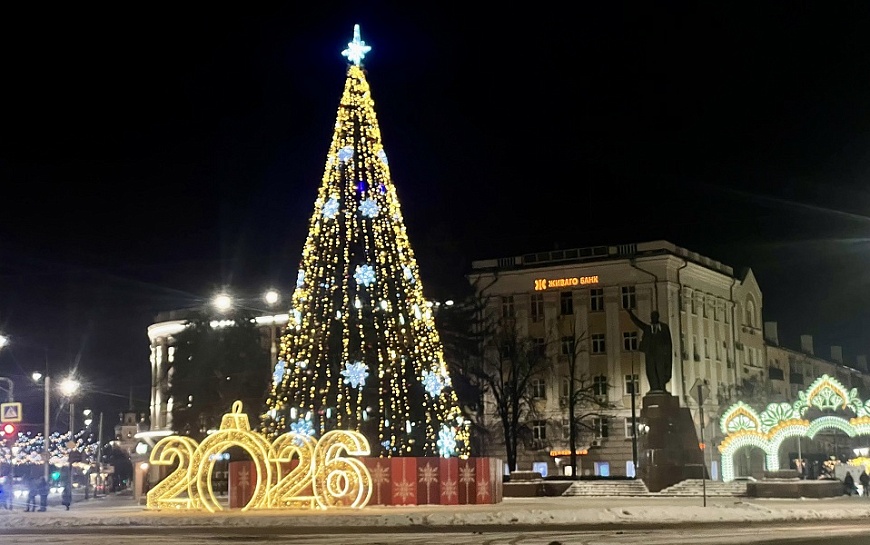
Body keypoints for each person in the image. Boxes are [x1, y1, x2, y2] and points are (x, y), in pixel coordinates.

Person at [626, 307, 673, 392]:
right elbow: (638, 323)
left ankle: (662, 388)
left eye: (654, 316)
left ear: (657, 317)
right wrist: (630, 314)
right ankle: (654, 388)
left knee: (660, 371)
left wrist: (667, 353)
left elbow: (668, 342)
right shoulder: (648, 328)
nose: (653, 318)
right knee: (651, 371)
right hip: (650, 354)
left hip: (660, 354)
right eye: (652, 317)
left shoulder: (664, 327)